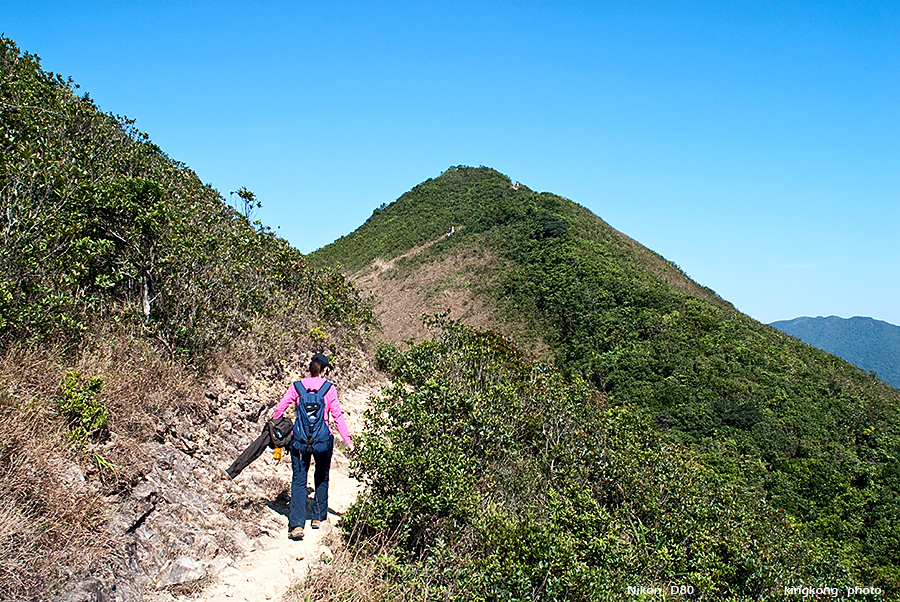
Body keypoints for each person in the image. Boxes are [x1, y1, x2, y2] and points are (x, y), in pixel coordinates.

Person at [271, 353, 354, 541]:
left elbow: (280, 408)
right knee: (322, 475)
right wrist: (348, 441)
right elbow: (337, 416)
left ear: (311, 368)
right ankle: (318, 517)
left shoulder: (297, 387)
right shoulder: (328, 388)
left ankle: (296, 525)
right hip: (323, 441)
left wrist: (276, 429)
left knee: (299, 480)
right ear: (324, 369)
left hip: (299, 441)